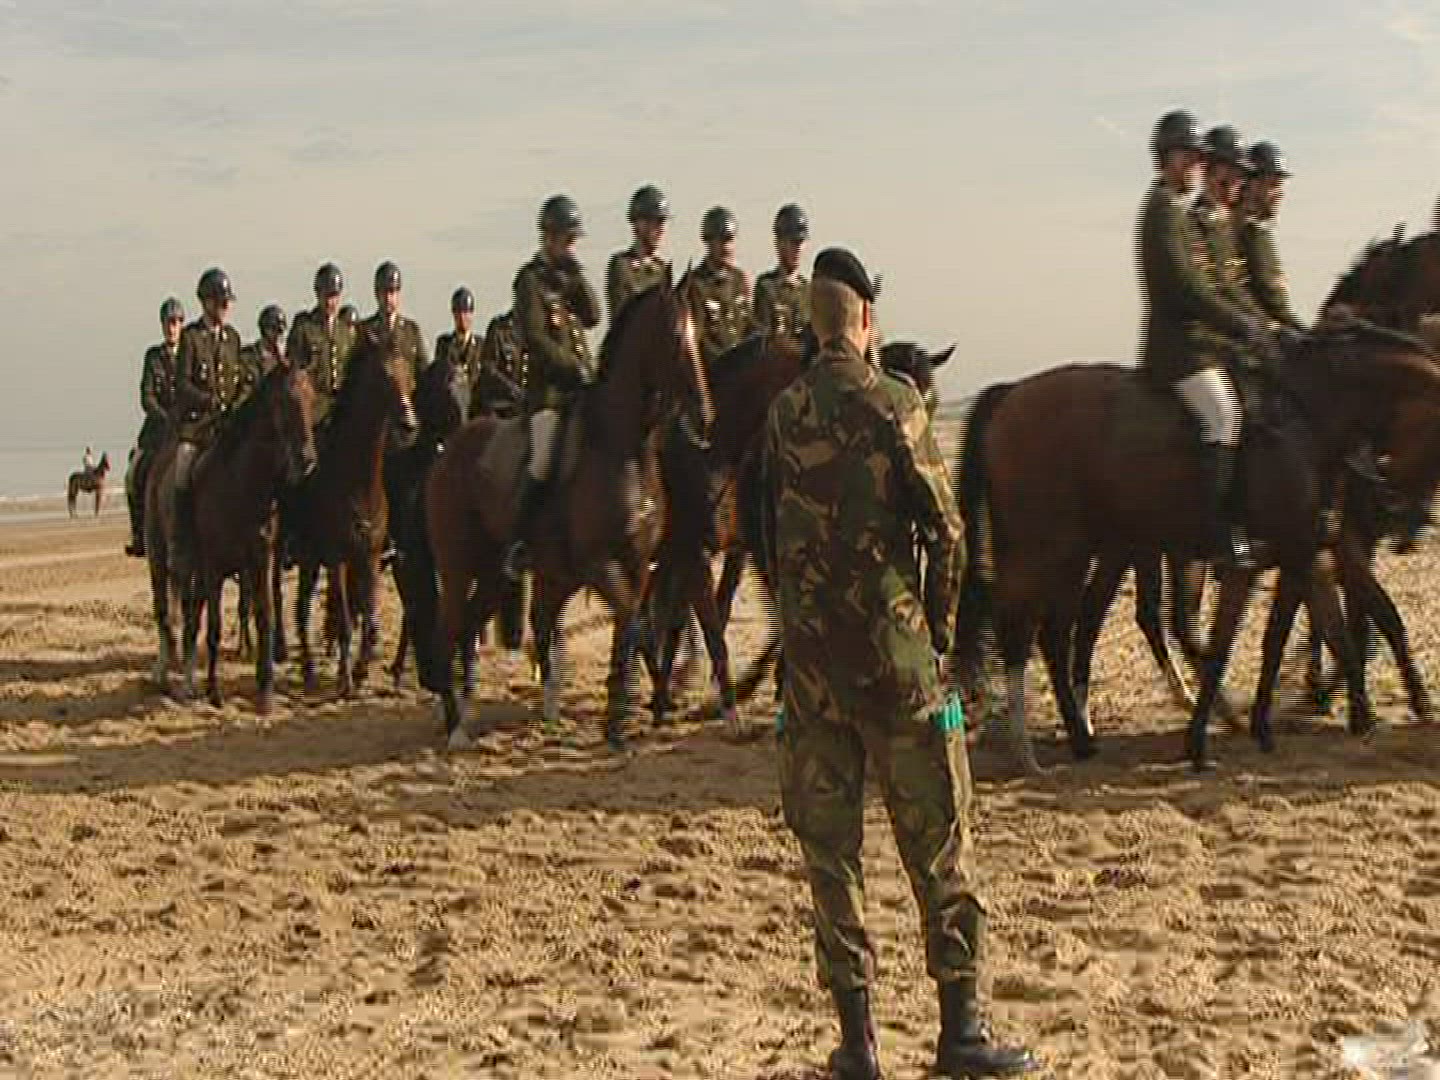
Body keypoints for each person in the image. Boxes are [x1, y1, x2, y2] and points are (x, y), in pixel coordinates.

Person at [762, 247, 1036, 1080]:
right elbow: (948, 531)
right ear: (867, 322)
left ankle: (857, 1044)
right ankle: (960, 1032)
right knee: (941, 839)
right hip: (901, 667)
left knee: (830, 856)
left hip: (812, 676)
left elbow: (773, 537)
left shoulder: (783, 414)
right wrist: (938, 633)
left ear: (813, 326)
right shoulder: (898, 402)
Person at [1138, 109, 1273, 570]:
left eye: (1197, 157)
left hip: (1202, 342)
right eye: (1186, 157)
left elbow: (1220, 286)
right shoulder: (1161, 210)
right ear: (1164, 158)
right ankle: (1213, 530)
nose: (1195, 165)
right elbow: (1185, 287)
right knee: (1223, 416)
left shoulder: (1176, 210)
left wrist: (1260, 325)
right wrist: (1242, 326)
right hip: (1178, 347)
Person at [503, 194, 602, 579]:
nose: (571, 246)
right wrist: (573, 368)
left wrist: (577, 277)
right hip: (550, 395)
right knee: (544, 456)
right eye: (567, 239)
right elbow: (536, 338)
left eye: (575, 240)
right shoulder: (529, 281)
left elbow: (593, 317)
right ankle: (521, 540)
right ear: (549, 237)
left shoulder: (567, 278)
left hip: (584, 392)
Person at [171, 267, 243, 564]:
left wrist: (237, 403)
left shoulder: (233, 338)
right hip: (199, 425)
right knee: (182, 468)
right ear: (206, 302)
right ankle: (182, 536)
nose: (225, 307)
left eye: (227, 302)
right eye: (220, 302)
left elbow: (240, 380)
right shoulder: (191, 338)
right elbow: (182, 384)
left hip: (228, 425)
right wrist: (208, 401)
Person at [1238, 141, 1305, 332]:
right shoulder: (1244, 232)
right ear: (1251, 185)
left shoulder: (1259, 232)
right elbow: (1269, 297)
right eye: (1273, 186)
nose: (1280, 194)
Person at [680, 206, 752, 365]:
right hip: (712, 368)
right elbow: (694, 340)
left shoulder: (739, 280)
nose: (726, 247)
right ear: (708, 242)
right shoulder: (694, 283)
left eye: (729, 240)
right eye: (720, 240)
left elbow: (749, 325)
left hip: (743, 367)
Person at [286, 262, 354, 424]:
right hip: (314, 409)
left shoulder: (345, 332)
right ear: (317, 294)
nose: (330, 302)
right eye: (326, 295)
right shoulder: (305, 329)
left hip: (343, 407)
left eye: (334, 296)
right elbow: (294, 372)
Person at [606, 184, 672, 321]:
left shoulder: (661, 268)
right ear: (639, 224)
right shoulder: (621, 265)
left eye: (662, 222)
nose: (661, 229)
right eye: (655, 222)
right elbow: (621, 315)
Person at [754, 203, 811, 352]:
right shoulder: (767, 286)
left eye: (800, 242)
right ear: (779, 243)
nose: (797, 249)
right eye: (792, 242)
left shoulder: (808, 289)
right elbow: (762, 338)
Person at [360, 261, 429, 377]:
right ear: (376, 294)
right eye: (384, 292)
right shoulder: (364, 330)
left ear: (398, 293)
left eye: (392, 292)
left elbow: (423, 371)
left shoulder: (411, 331)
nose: (388, 298)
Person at [470, 309, 528, 419]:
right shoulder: (500, 328)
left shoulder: (542, 330)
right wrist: (514, 390)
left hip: (530, 406)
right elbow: (489, 366)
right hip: (501, 404)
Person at [435, 286, 485, 398]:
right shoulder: (444, 344)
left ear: (472, 314)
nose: (462, 318)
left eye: (466, 312)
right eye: (459, 313)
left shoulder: (481, 345)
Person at [240, 305, 288, 401]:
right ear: (264, 329)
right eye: (273, 329)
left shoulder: (288, 358)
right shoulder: (247, 356)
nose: (278, 334)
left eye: (281, 330)